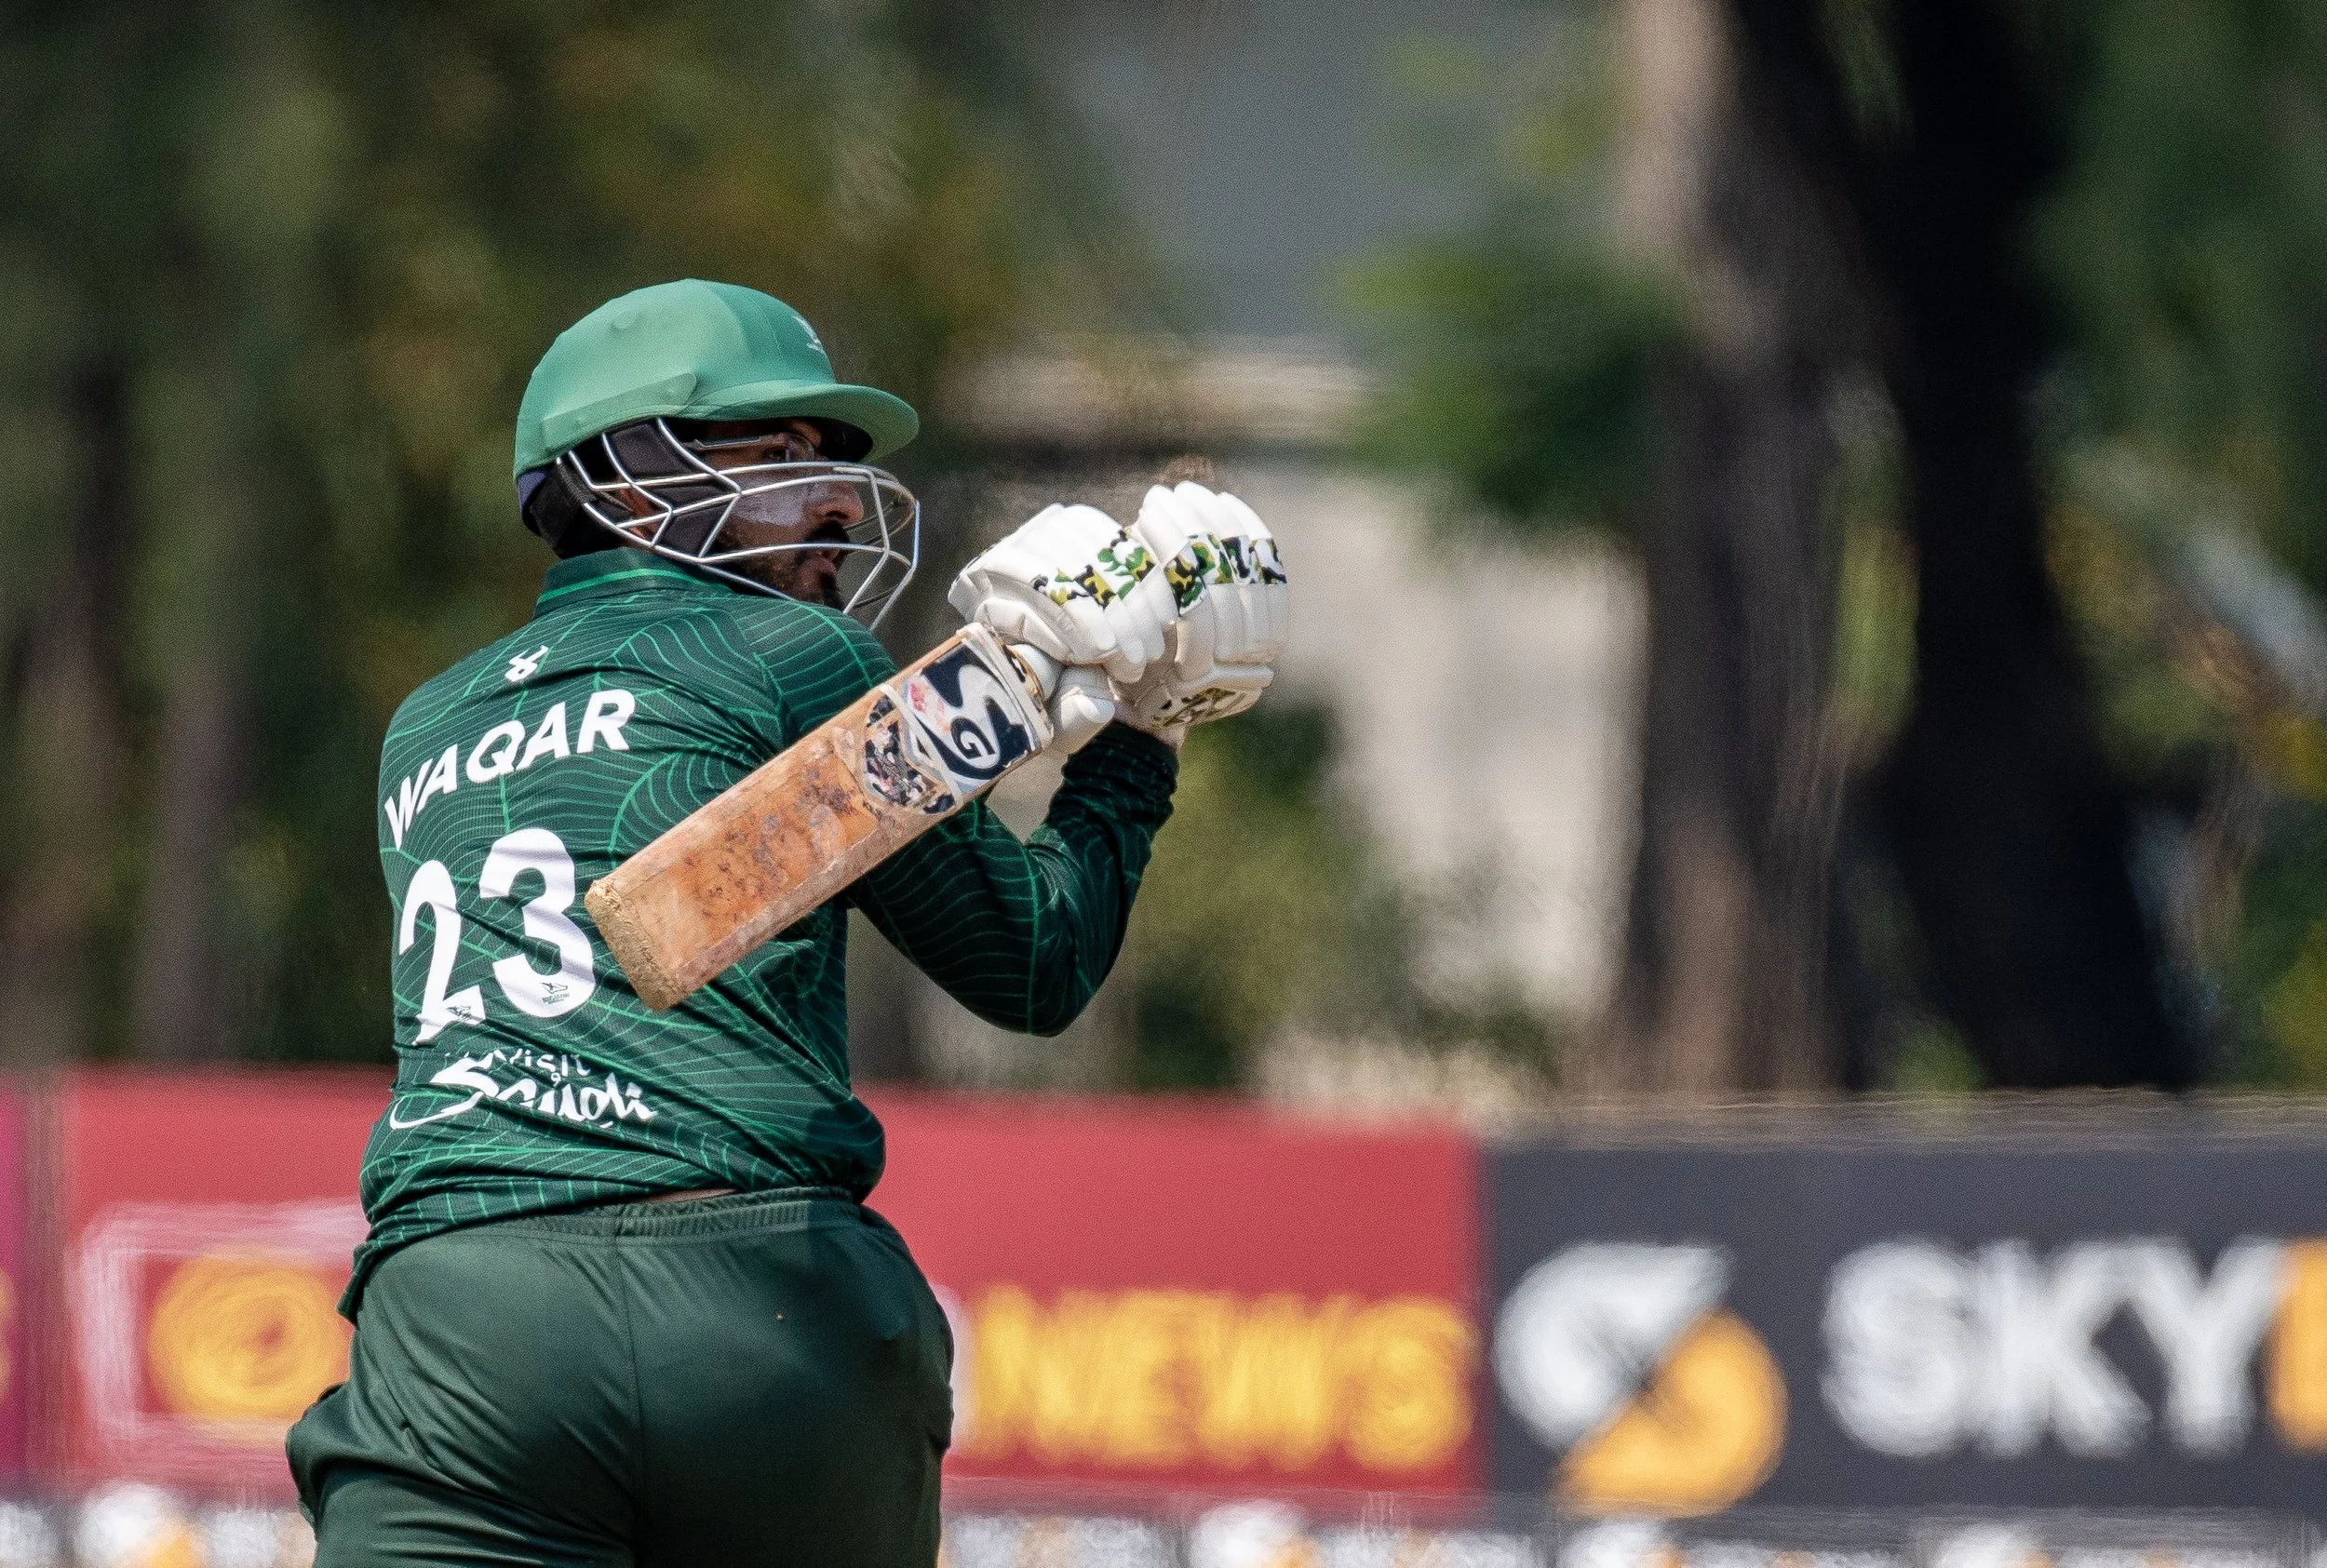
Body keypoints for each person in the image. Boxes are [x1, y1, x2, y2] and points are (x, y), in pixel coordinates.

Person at [285, 278, 1287, 1568]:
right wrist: (1139, 738)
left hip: (466, 1319)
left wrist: (1024, 685)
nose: (835, 503)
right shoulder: (799, 659)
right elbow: (1033, 963)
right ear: (628, 478)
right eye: (779, 457)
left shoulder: (423, 725)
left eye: (837, 466)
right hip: (759, 1304)